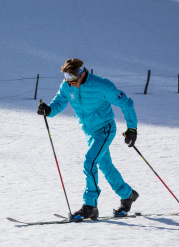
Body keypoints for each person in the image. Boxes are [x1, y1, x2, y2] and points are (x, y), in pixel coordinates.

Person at [37, 58, 139, 221]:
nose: (70, 82)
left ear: (82, 73)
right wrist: (48, 110)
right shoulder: (67, 86)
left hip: (105, 129)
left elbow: (126, 103)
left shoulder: (102, 85)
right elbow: (59, 102)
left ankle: (90, 206)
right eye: (66, 77)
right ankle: (128, 195)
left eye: (73, 77)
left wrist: (132, 128)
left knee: (89, 162)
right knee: (105, 165)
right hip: (89, 132)